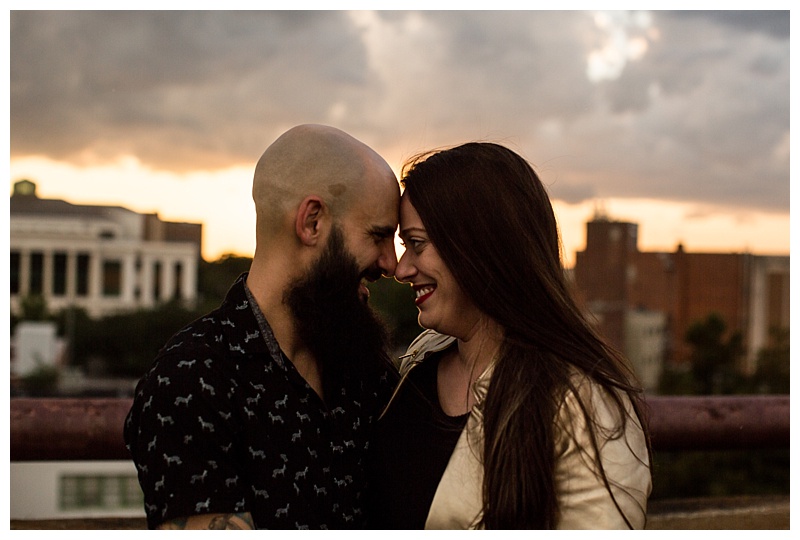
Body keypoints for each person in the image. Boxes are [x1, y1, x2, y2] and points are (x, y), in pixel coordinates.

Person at [124, 124, 401, 529]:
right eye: (378, 236)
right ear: (311, 222)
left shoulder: (366, 369)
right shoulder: (193, 379)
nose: (390, 264)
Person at [365, 142, 652, 529]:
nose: (401, 270)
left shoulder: (585, 404)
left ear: (479, 246)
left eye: (416, 244)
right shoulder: (421, 360)